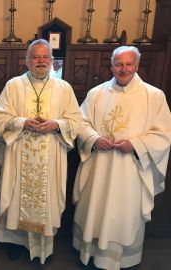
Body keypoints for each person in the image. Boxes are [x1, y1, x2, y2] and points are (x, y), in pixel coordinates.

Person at [72, 46, 171, 269]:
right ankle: (91, 253)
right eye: (119, 64)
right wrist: (95, 139)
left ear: (136, 66)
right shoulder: (96, 94)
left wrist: (135, 144)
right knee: (95, 207)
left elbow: (163, 133)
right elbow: (80, 123)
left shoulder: (154, 96)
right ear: (112, 65)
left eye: (128, 64)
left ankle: (119, 258)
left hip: (131, 169)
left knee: (123, 212)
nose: (123, 69)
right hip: (100, 166)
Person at [0, 39, 82, 264]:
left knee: (45, 201)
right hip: (19, 152)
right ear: (27, 60)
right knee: (16, 199)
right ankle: (16, 241)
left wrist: (57, 125)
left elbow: (76, 120)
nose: (41, 61)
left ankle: (43, 247)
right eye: (36, 57)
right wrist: (22, 122)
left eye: (45, 57)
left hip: (50, 155)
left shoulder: (64, 88)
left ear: (52, 61)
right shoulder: (14, 85)